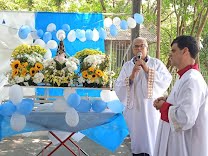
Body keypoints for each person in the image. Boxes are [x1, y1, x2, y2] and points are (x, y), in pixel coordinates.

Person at [114, 37, 172, 156]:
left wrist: (146, 69)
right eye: (136, 46)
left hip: (152, 109)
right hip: (135, 110)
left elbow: (166, 79)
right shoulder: (127, 66)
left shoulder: (156, 63)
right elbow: (118, 86)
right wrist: (131, 76)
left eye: (142, 46)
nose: (139, 48)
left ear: (147, 48)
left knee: (153, 138)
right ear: (133, 49)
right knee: (137, 141)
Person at [153, 35, 208, 156]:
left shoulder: (192, 79)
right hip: (177, 141)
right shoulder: (185, 76)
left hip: (184, 145)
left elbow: (185, 117)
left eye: (173, 50)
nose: (170, 54)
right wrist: (168, 100)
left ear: (185, 51)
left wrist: (163, 106)